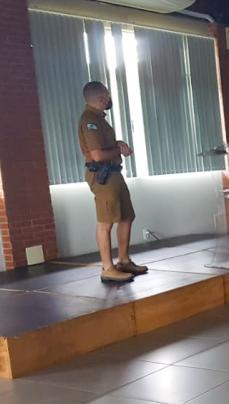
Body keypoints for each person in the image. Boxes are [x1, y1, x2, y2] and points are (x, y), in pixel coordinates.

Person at [77, 81, 146, 283]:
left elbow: (104, 146)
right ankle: (107, 268)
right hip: (103, 175)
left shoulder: (100, 120)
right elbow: (97, 155)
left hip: (114, 173)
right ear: (101, 99)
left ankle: (123, 261)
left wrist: (117, 144)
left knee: (127, 216)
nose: (109, 100)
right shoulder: (89, 121)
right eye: (107, 96)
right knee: (106, 221)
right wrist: (119, 150)